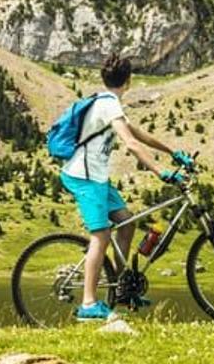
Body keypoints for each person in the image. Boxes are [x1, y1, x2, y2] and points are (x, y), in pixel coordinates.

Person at [59, 53, 193, 321]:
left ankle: (120, 288)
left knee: (128, 222)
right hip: (84, 177)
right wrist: (161, 172)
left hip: (97, 178)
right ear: (129, 81)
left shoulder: (108, 104)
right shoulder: (108, 105)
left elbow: (138, 134)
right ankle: (87, 304)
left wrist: (172, 152)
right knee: (102, 235)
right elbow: (131, 144)